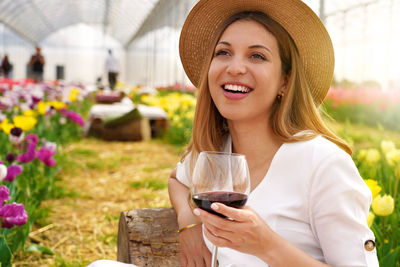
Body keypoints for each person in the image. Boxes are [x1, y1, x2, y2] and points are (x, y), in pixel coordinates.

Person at [168, 0, 379, 266]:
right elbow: (177, 180)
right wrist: (189, 223)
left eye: (257, 56)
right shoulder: (216, 153)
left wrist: (266, 246)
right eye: (223, 53)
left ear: (285, 81)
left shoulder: (322, 163)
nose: (234, 67)